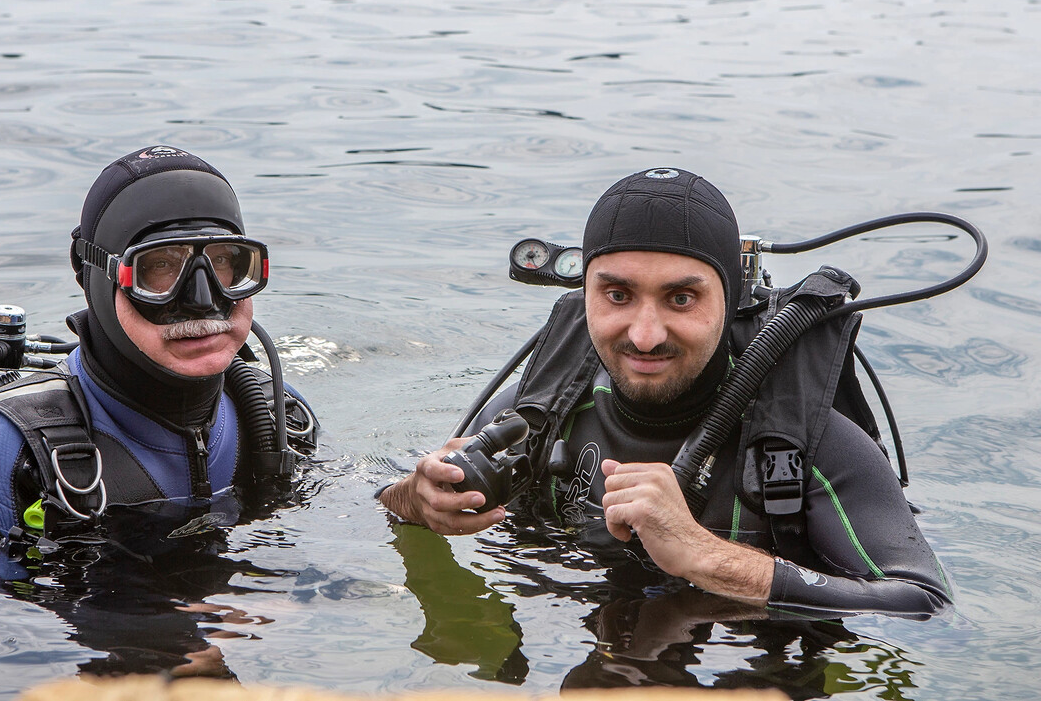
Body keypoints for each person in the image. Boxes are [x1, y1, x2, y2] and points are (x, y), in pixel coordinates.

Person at [379, 168, 951, 616]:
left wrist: (706, 556)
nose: (645, 335)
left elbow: (925, 603)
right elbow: (375, 506)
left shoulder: (810, 445)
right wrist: (414, 500)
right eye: (618, 295)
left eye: (681, 298)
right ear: (585, 295)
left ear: (730, 302)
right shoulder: (536, 416)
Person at [0, 145, 318, 564]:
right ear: (95, 278)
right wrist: (186, 621)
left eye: (226, 263)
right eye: (159, 267)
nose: (201, 300)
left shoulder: (279, 416)